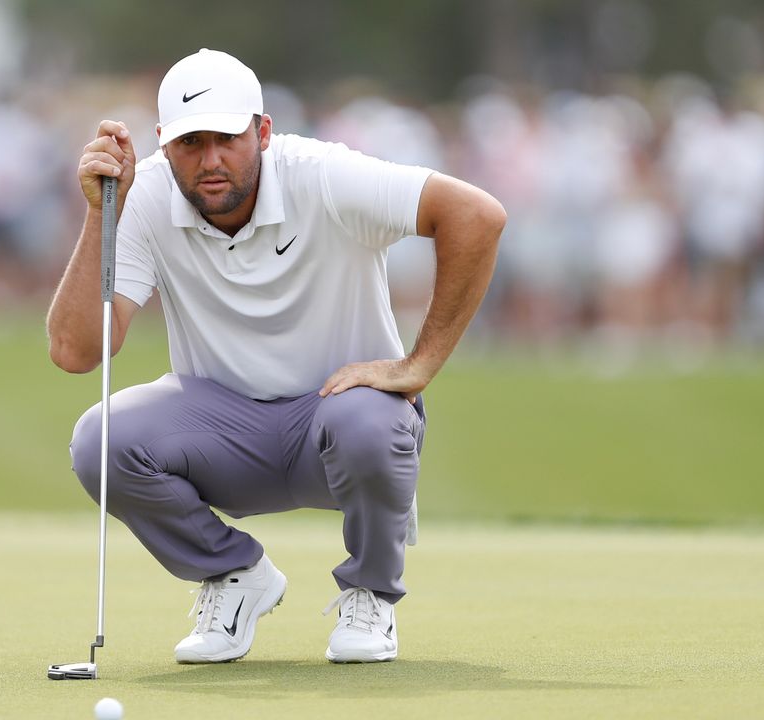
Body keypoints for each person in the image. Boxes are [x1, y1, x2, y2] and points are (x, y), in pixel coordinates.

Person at [47, 49, 504, 664]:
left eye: (227, 139)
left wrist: (416, 366)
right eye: (190, 143)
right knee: (99, 439)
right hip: (224, 436)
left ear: (262, 131)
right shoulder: (145, 194)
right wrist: (104, 212)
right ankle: (236, 576)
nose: (210, 160)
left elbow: (477, 216)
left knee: (370, 420)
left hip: (339, 421)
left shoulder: (321, 174)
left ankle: (370, 593)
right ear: (163, 143)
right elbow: (76, 351)